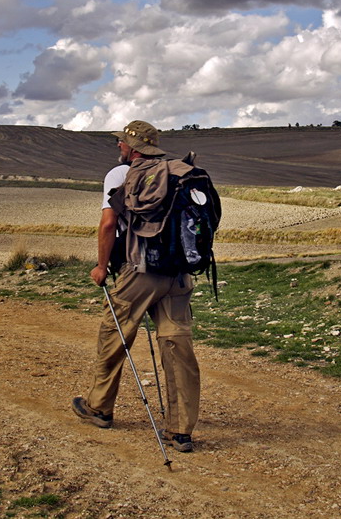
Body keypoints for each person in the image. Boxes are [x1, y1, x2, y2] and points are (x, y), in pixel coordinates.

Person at [72, 120, 200, 453]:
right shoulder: (178, 173)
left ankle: (99, 407)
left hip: (139, 272)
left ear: (133, 147)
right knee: (177, 346)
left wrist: (102, 267)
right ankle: (181, 430)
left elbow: (108, 223)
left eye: (122, 142)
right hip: (179, 275)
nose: (118, 147)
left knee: (114, 336)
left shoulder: (121, 175)